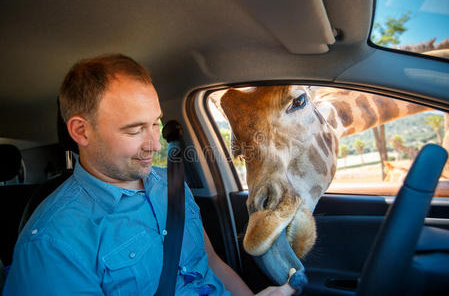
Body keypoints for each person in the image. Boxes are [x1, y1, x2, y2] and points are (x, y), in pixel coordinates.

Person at [3, 54, 298, 295]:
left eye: (156, 123)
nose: (154, 144)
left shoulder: (172, 185)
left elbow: (210, 263)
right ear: (81, 131)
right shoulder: (52, 245)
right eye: (134, 129)